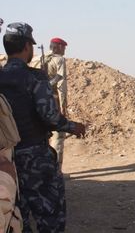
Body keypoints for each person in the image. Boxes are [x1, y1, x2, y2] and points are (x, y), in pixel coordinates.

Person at [0, 22, 85, 233]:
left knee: (18, 214)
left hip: (7, 158)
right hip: (35, 156)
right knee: (51, 214)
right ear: (27, 46)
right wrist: (73, 126)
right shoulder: (35, 77)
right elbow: (49, 117)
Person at [31, 37, 69, 171]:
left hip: (34, 104)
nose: (64, 50)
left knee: (41, 136)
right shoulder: (59, 60)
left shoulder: (34, 59)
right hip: (53, 101)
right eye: (63, 47)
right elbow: (61, 85)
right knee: (58, 136)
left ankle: (42, 168)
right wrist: (63, 107)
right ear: (57, 47)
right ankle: (56, 170)